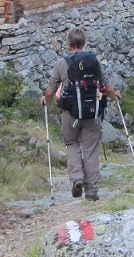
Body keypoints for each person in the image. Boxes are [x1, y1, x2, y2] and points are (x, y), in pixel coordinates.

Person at [41, 28, 120, 201]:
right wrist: (115, 96)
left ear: (68, 43)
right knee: (90, 150)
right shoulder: (94, 62)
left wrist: (45, 100)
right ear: (84, 42)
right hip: (92, 112)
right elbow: (107, 87)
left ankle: (77, 178)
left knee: (72, 144)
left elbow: (50, 91)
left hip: (70, 113)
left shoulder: (61, 64)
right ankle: (91, 190)